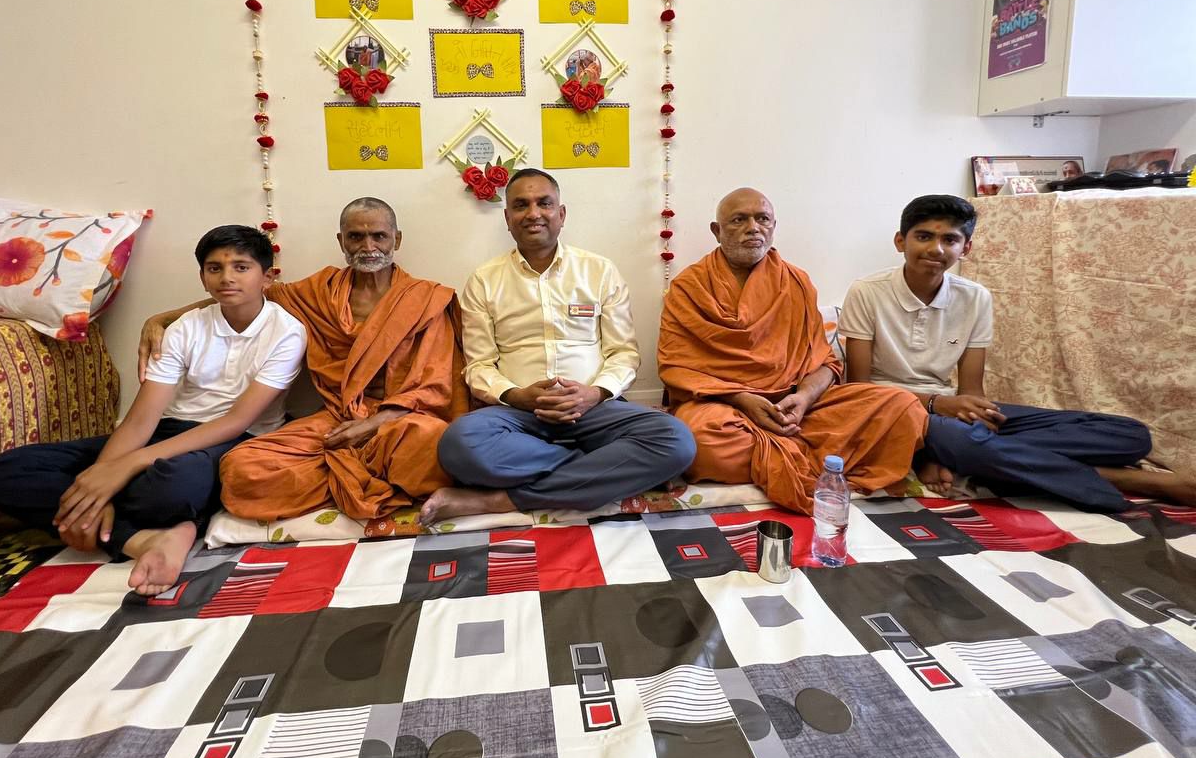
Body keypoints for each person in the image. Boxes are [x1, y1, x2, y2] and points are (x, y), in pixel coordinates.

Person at [0, 226, 306, 596]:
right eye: (214, 268)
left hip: (234, 440)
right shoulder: (185, 327)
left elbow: (236, 421)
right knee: (7, 471)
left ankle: (66, 512)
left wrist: (126, 467)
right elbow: (140, 420)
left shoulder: (286, 332)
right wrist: (102, 482)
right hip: (170, 429)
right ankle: (144, 537)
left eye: (241, 267)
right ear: (202, 277)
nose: (227, 277)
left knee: (174, 486)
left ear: (267, 277)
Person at [840, 194, 1195, 510]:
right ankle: (1124, 479)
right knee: (963, 441)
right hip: (893, 412)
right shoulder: (867, 292)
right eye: (923, 236)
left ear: (966, 248)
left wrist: (973, 414)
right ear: (900, 241)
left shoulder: (975, 297)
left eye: (950, 239)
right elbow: (860, 391)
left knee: (1131, 435)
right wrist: (936, 405)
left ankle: (957, 453)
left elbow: (972, 388)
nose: (936, 249)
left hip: (949, 409)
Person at [139, 198, 465, 523]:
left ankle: (351, 475)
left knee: (435, 443)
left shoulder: (425, 299)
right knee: (241, 468)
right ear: (341, 241)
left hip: (400, 421)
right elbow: (248, 295)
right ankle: (367, 477)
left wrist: (372, 424)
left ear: (397, 239)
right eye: (356, 237)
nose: (368, 247)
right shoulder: (318, 293)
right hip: (336, 418)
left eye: (379, 236)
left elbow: (434, 387)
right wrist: (161, 319)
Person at [423, 169, 695, 524]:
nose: (533, 213)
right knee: (459, 444)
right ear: (507, 219)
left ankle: (502, 500)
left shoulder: (599, 271)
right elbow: (479, 366)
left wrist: (594, 393)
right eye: (521, 205)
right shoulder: (484, 281)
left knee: (676, 440)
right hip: (519, 416)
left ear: (561, 214)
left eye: (544, 203)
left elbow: (624, 353)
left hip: (595, 410)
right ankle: (607, 468)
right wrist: (519, 396)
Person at [657, 188, 926, 514]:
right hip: (725, 407)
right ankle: (815, 458)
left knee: (903, 407)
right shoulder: (689, 287)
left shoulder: (796, 281)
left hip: (797, 409)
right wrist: (743, 399)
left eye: (762, 219)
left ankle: (780, 454)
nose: (753, 228)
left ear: (774, 226)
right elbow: (675, 367)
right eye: (739, 220)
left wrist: (803, 399)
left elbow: (825, 362)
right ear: (717, 231)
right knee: (699, 441)